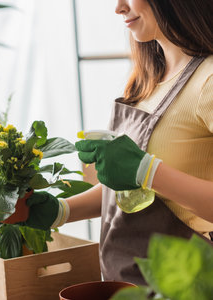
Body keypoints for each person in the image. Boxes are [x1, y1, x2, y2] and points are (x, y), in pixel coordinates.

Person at [22, 0, 213, 285]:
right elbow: (130, 190)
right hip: (130, 282)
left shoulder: (208, 80)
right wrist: (62, 211)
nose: (119, 8)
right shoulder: (147, 81)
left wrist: (148, 171)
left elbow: (145, 175)